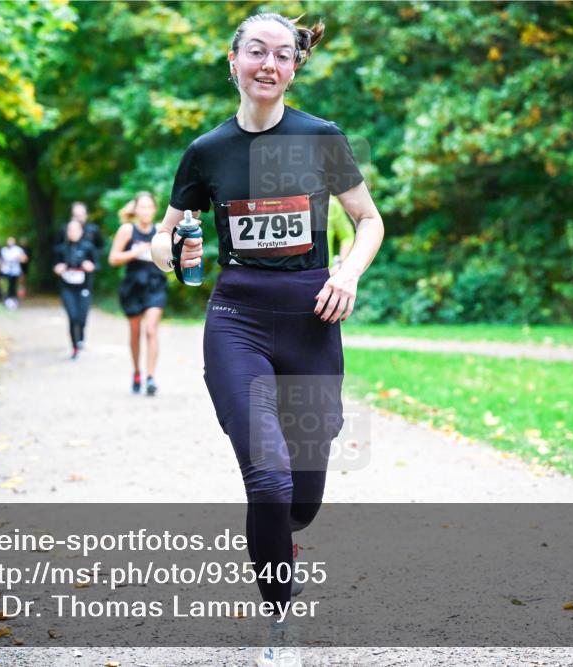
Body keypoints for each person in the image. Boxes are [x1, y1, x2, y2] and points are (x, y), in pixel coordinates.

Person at [150, 12, 384, 667]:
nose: (269, 64)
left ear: (295, 68)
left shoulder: (321, 138)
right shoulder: (206, 152)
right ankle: (280, 620)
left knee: (301, 500)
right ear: (233, 61)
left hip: (313, 320)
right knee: (270, 480)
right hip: (237, 320)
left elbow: (368, 221)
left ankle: (283, 540)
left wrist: (349, 271)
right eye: (257, 51)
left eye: (284, 55)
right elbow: (166, 241)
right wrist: (170, 251)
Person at [109, 191, 167, 395]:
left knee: (151, 329)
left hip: (154, 283)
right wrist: (134, 252)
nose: (145, 211)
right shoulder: (127, 230)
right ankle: (136, 372)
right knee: (135, 333)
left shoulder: (160, 230)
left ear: (154, 209)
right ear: (136, 209)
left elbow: (169, 258)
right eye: (141, 207)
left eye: (149, 207)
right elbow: (113, 258)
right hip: (132, 285)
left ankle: (151, 378)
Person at [53, 220, 98, 359]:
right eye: (70, 230)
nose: (72, 232)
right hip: (68, 288)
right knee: (72, 317)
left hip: (84, 288)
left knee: (82, 317)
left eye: (75, 229)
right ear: (67, 232)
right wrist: (58, 268)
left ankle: (81, 337)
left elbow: (96, 264)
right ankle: (74, 347)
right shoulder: (61, 249)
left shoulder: (88, 247)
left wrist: (90, 266)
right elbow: (55, 265)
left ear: (81, 231)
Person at [0, 237, 28, 309]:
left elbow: (24, 259)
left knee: (13, 285)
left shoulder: (18, 249)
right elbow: (0, 260)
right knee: (6, 285)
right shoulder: (4, 250)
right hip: (5, 270)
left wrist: (19, 258)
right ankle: (7, 300)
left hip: (15, 270)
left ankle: (13, 300)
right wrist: (0, 267)